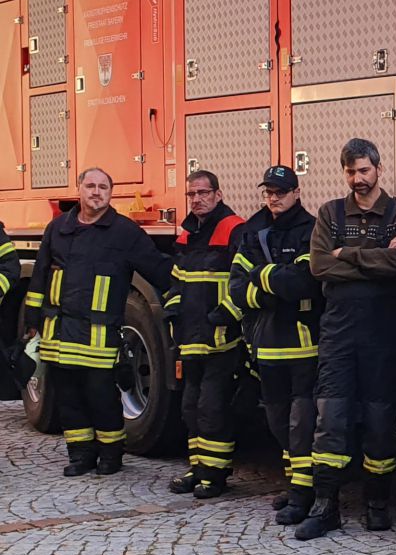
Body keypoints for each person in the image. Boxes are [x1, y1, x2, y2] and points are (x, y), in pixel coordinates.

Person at [296, 139, 396, 541]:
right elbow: (319, 265)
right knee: (330, 419)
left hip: (383, 332)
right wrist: (375, 254)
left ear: (378, 169)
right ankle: (325, 505)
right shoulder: (330, 212)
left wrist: (347, 252)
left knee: (381, 423)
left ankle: (376, 505)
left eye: (364, 170)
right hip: (339, 331)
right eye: (350, 172)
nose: (357, 179)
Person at [24, 169, 170, 477]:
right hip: (59, 333)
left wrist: (188, 286)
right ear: (79, 189)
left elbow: (159, 270)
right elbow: (39, 276)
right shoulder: (57, 228)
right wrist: (32, 317)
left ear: (110, 192)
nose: (96, 192)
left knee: (102, 397)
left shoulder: (124, 232)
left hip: (98, 335)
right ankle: (80, 455)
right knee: (68, 398)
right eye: (90, 186)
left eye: (103, 186)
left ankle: (110, 456)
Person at [224, 166, 321, 525]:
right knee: (278, 421)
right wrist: (269, 290)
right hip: (267, 345)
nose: (273, 198)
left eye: (280, 191)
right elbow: (235, 286)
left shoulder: (312, 229)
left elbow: (303, 282)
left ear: (296, 192)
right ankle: (295, 483)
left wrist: (261, 276)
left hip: (303, 346)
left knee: (302, 424)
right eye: (268, 192)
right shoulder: (254, 231)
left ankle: (304, 494)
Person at [165, 171, 246, 498]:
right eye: (192, 194)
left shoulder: (233, 230)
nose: (197, 199)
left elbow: (243, 280)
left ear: (218, 194)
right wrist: (172, 312)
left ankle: (216, 475)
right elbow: (176, 281)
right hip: (191, 337)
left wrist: (226, 315)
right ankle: (197, 468)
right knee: (190, 407)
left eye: (203, 193)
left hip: (222, 338)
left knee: (213, 408)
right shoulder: (187, 235)